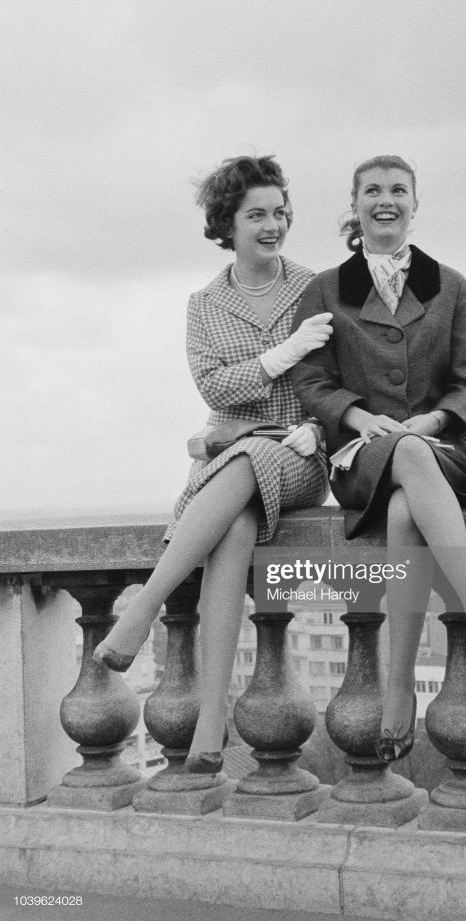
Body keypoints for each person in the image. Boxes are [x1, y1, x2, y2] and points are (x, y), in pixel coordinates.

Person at [94, 155, 332, 772]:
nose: (273, 225)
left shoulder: (317, 287)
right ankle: (209, 720)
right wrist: (281, 356)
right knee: (235, 527)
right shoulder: (204, 304)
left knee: (253, 459)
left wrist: (316, 427)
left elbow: (342, 380)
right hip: (231, 461)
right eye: (257, 215)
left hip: (302, 456)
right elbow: (214, 387)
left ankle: (144, 606)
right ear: (227, 223)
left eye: (280, 212)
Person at [291, 154, 466, 763]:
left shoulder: (452, 286)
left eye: (398, 190)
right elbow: (310, 382)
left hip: (440, 449)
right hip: (360, 455)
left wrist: (434, 421)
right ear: (355, 204)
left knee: (405, 507)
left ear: (415, 205)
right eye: (372, 191)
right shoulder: (324, 289)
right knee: (400, 471)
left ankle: (398, 690)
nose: (385, 200)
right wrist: (361, 419)